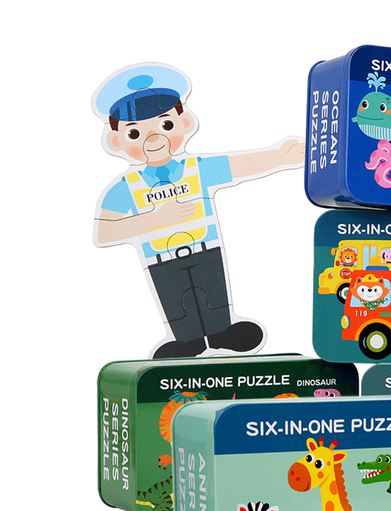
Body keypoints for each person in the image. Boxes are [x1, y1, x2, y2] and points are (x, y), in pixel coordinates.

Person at [92, 63, 305, 358]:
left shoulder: (198, 168)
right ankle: (186, 340)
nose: (154, 139)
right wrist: (156, 220)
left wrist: (279, 157)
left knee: (213, 293)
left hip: (207, 250)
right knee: (175, 300)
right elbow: (104, 231)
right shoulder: (123, 187)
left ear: (185, 123)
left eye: (166, 125)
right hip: (161, 260)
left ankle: (221, 332)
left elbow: (237, 166)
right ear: (116, 140)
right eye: (135, 133)